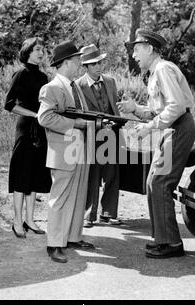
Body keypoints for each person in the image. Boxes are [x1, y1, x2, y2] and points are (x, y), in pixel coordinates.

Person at [118, 29, 195, 259]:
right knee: (153, 182)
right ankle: (162, 239)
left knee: (161, 182)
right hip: (171, 129)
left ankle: (171, 243)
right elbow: (157, 111)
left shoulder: (163, 69)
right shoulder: (154, 73)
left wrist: (149, 127)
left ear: (150, 49)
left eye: (137, 49)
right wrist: (136, 110)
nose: (133, 55)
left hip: (179, 128)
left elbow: (176, 107)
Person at [37, 40, 94, 263]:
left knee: (79, 196)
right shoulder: (51, 88)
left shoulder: (75, 86)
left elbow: (82, 115)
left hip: (80, 150)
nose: (80, 64)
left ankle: (72, 237)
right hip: (63, 151)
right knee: (59, 199)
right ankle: (54, 245)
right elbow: (45, 117)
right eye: (77, 60)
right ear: (66, 62)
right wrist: (76, 124)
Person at [4, 37, 52, 239]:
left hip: (40, 130)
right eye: (36, 49)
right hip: (25, 130)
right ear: (28, 52)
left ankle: (30, 220)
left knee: (35, 177)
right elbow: (9, 104)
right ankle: (16, 222)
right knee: (22, 177)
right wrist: (33, 115)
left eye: (43, 49)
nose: (41, 53)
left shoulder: (43, 77)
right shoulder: (21, 73)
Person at [75, 44, 122, 228]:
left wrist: (116, 124)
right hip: (91, 135)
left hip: (111, 134)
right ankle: (89, 215)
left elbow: (115, 108)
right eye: (93, 64)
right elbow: (79, 113)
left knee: (112, 174)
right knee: (92, 176)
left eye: (99, 63)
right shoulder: (78, 85)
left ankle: (109, 213)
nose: (98, 66)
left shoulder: (110, 81)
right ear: (85, 67)